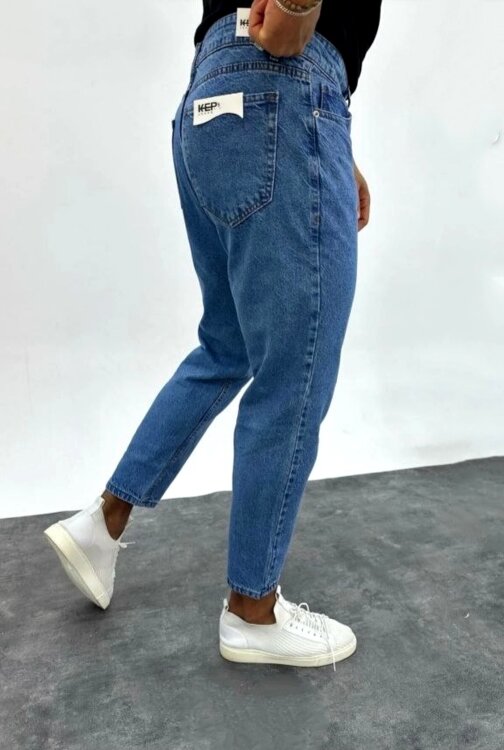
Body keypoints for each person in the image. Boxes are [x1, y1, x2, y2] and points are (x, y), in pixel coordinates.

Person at [44, 0, 382, 670]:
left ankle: (101, 524)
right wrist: (297, 10)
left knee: (228, 346)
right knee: (297, 366)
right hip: (284, 84)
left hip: (219, 100)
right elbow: (287, 42)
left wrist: (328, 139)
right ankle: (253, 610)